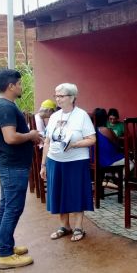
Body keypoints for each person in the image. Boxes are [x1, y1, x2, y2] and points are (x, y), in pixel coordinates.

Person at [0, 69, 42, 269]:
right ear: (11, 86)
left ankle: (3, 245)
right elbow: (10, 137)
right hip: (13, 165)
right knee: (13, 207)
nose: (21, 87)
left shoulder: (4, 105)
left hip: (9, 164)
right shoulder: (5, 107)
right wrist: (30, 135)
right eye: (19, 84)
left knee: (6, 205)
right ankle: (5, 254)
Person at [40, 83, 96, 242]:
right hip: (55, 160)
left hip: (76, 161)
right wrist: (43, 164)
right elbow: (47, 141)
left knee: (76, 192)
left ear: (72, 97)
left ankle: (78, 227)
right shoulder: (54, 117)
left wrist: (74, 145)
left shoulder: (82, 115)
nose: (57, 98)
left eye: (61, 95)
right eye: (56, 95)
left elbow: (92, 139)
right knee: (58, 192)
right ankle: (64, 226)